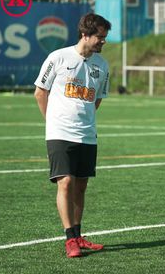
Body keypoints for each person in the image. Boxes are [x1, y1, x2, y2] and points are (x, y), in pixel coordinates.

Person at [34, 13, 111, 258]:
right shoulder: (57, 57)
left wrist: (83, 119)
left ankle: (78, 235)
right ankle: (69, 239)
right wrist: (53, 122)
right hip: (59, 133)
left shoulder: (102, 65)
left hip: (87, 135)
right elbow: (39, 92)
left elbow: (97, 99)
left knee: (81, 186)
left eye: (104, 37)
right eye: (100, 37)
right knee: (65, 182)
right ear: (85, 34)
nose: (103, 42)